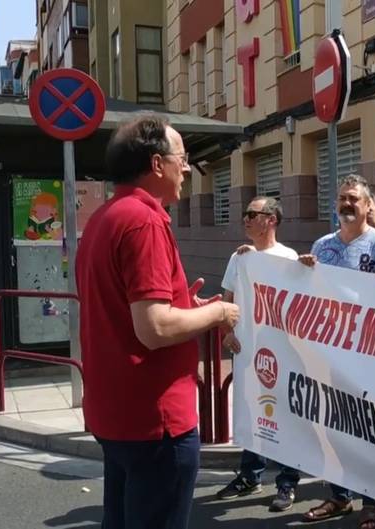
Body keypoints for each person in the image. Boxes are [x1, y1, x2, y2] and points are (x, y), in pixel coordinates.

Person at [76, 115, 240, 529]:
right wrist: (218, 313)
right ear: (156, 164)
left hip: (115, 413)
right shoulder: (144, 220)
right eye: (182, 159)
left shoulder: (104, 217)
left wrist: (187, 303)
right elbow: (155, 328)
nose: (186, 168)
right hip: (155, 420)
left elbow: (125, 307)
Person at [299, 174, 375, 529]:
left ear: (368, 206)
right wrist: (303, 273)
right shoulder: (322, 246)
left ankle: (371, 503)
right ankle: (339, 495)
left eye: (354, 199)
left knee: (370, 431)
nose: (347, 203)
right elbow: (307, 296)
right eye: (342, 197)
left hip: (370, 358)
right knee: (335, 428)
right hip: (331, 355)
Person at [215, 196, 301, 511]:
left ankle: (288, 483)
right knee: (252, 411)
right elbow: (228, 299)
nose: (246, 219)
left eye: (253, 214)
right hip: (248, 350)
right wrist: (227, 333)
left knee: (283, 414)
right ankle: (250, 476)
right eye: (245, 214)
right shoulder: (239, 258)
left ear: (272, 220)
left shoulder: (288, 257)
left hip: (280, 352)